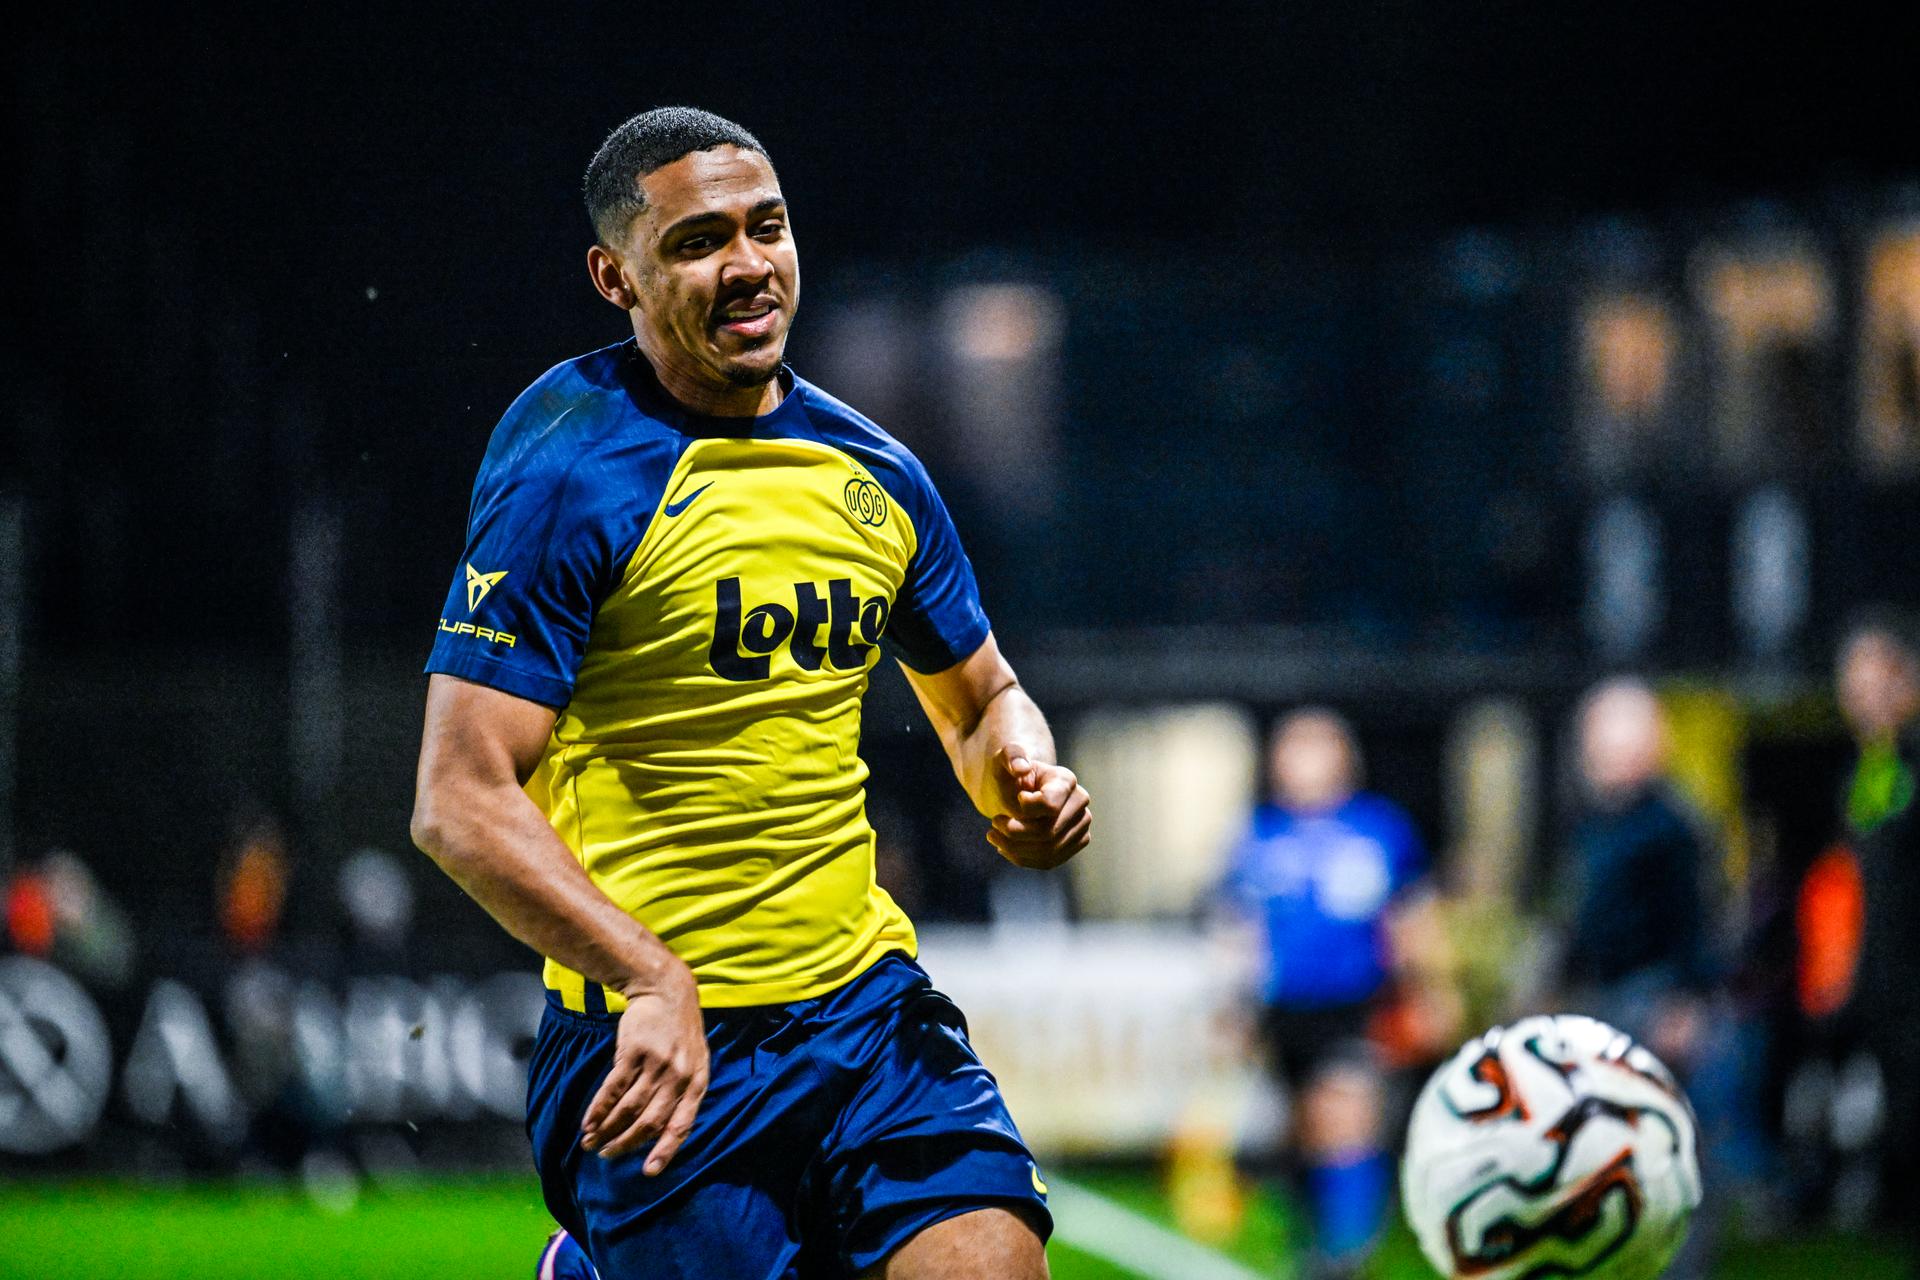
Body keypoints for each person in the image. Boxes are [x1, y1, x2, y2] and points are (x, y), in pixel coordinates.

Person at [408, 108, 1090, 1280]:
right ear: (613, 275)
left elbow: (979, 698)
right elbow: (458, 798)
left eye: (766, 227)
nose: (749, 265)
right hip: (658, 1037)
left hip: (868, 1014)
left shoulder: (874, 470)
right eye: (698, 241)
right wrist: (646, 974)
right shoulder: (570, 464)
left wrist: (1019, 780)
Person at [1218, 708, 1427, 1279]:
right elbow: (1241, 928)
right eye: (1293, 748)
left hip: (1356, 1003)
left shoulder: (1379, 828)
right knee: (1305, 1132)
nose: (1303, 761)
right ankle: (1313, 1248)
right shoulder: (1259, 836)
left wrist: (1424, 990)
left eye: (1317, 747)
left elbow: (1409, 918)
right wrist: (1236, 1006)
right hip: (1285, 1011)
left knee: (1347, 1118)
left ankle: (1349, 1256)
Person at [1831, 614, 1920, 1242]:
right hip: (1885, 982)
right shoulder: (1866, 771)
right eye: (1853, 685)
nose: (1865, 698)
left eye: (1877, 682)